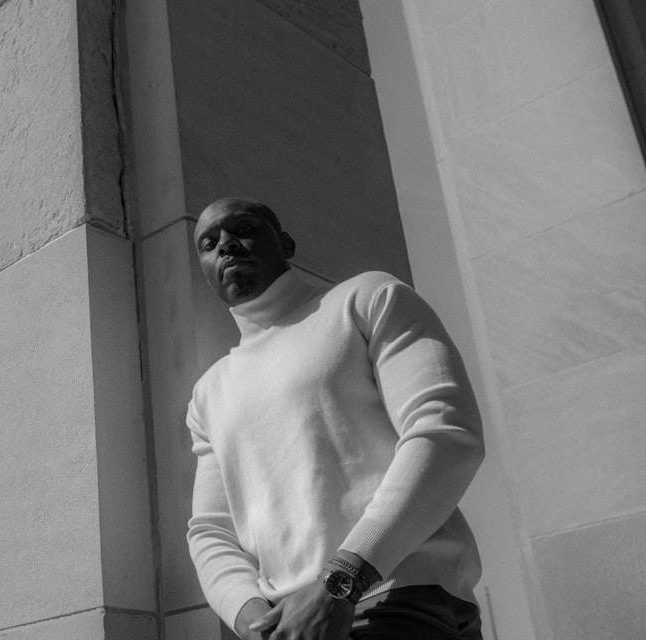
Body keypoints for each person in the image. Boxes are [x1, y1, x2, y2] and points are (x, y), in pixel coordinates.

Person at [186, 197, 486, 640]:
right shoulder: (208, 392)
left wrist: (340, 582)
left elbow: (443, 432)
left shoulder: (365, 297)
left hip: (395, 599)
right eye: (209, 244)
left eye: (242, 228)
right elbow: (211, 530)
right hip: (287, 626)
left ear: (285, 243)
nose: (226, 245)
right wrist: (251, 621)